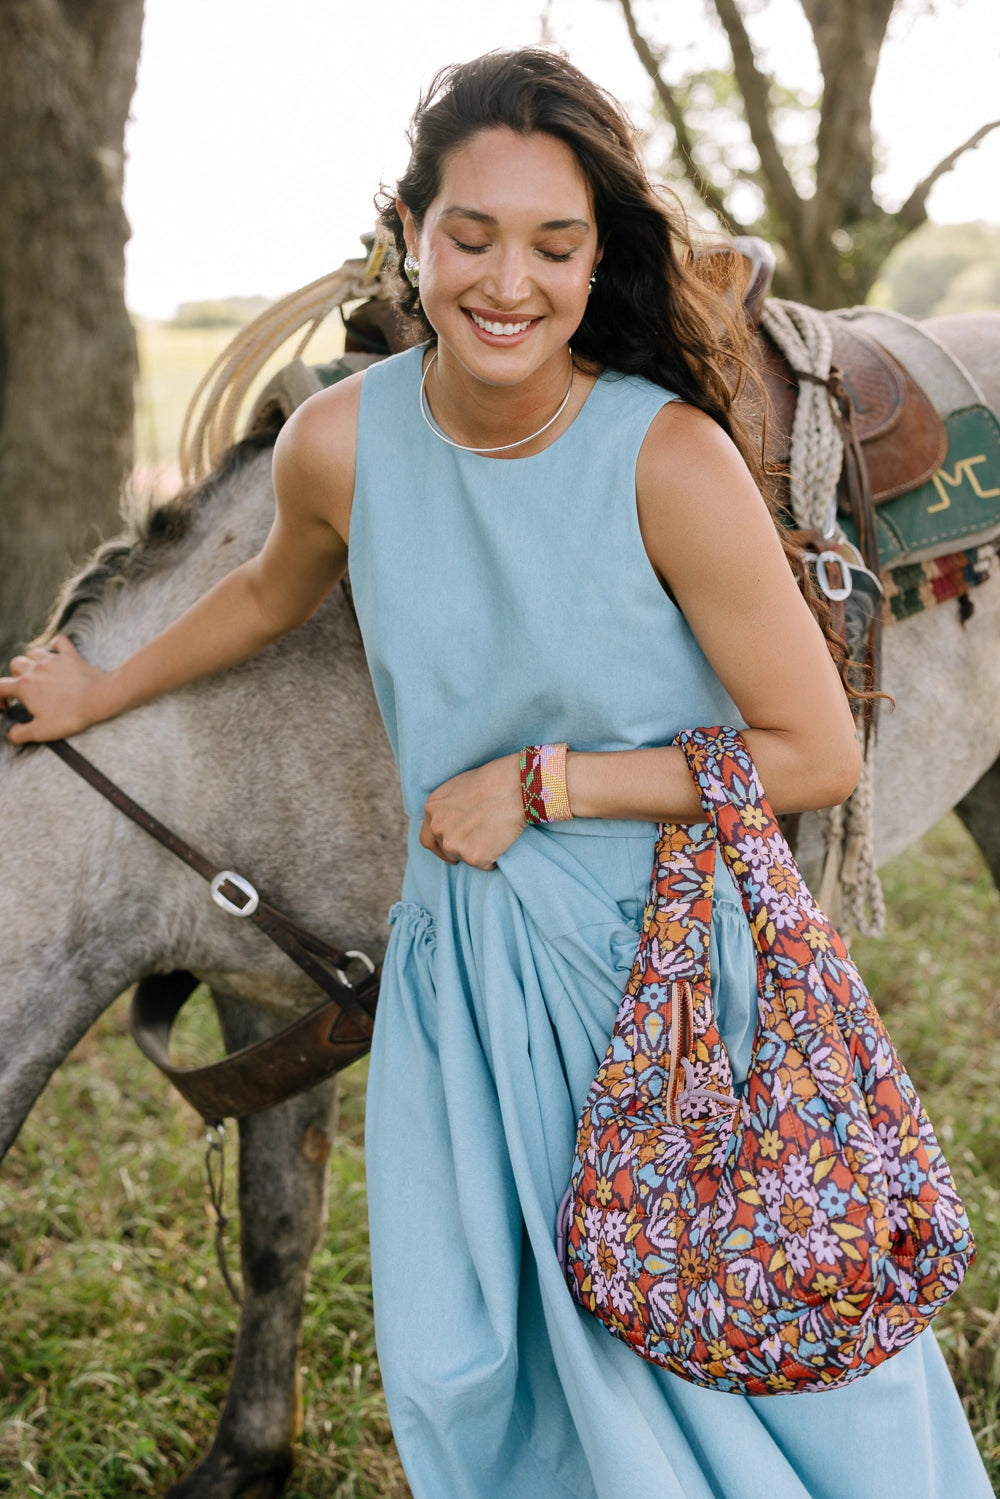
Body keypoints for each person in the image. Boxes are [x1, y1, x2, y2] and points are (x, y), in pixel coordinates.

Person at [1, 46, 990, 1499]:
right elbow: (273, 593)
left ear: (602, 262)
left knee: (715, 1358)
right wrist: (104, 681)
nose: (507, 282)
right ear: (413, 233)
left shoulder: (665, 459)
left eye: (555, 243)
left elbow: (815, 748)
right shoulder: (340, 443)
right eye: (471, 236)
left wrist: (546, 787)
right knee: (487, 1372)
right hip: (467, 970)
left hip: (660, 970)